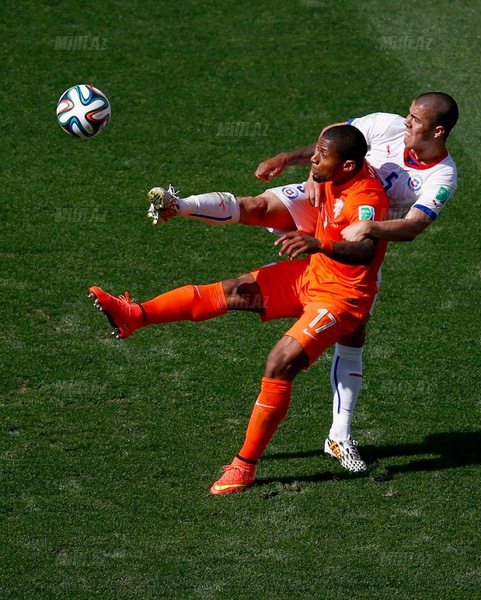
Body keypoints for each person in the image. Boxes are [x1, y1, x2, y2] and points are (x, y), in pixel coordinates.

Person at [146, 92, 459, 472]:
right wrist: (300, 165)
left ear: (438, 130)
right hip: (326, 197)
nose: (406, 122)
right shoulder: (386, 124)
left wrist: (369, 227)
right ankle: (181, 206)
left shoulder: (441, 175)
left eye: (415, 119)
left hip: (358, 238)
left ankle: (339, 435)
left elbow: (414, 225)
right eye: (408, 115)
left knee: (352, 335)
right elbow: (334, 139)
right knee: (258, 206)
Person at [89, 125, 389, 495]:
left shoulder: (367, 197)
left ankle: (244, 466)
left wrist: (316, 242)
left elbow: (366, 252)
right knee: (233, 291)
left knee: (280, 362)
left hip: (343, 296)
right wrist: (302, 166)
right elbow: (319, 160)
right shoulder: (332, 170)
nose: (314, 160)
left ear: (346, 166)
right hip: (312, 275)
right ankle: (134, 315)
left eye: (322, 157)